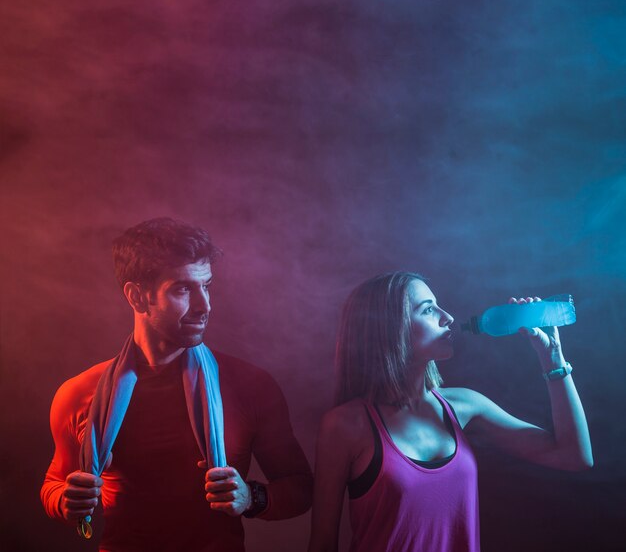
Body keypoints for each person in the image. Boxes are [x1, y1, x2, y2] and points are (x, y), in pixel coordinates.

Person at [41, 217, 313, 552]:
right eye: (183, 289)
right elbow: (54, 482)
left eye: (207, 286)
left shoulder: (251, 386)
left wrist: (251, 497)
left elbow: (301, 488)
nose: (205, 305)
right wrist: (65, 500)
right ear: (138, 298)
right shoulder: (80, 394)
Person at [308, 272, 593, 552]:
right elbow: (322, 544)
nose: (449, 318)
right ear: (389, 327)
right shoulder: (345, 426)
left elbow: (573, 455)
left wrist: (552, 357)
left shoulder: (465, 406)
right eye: (428, 309)